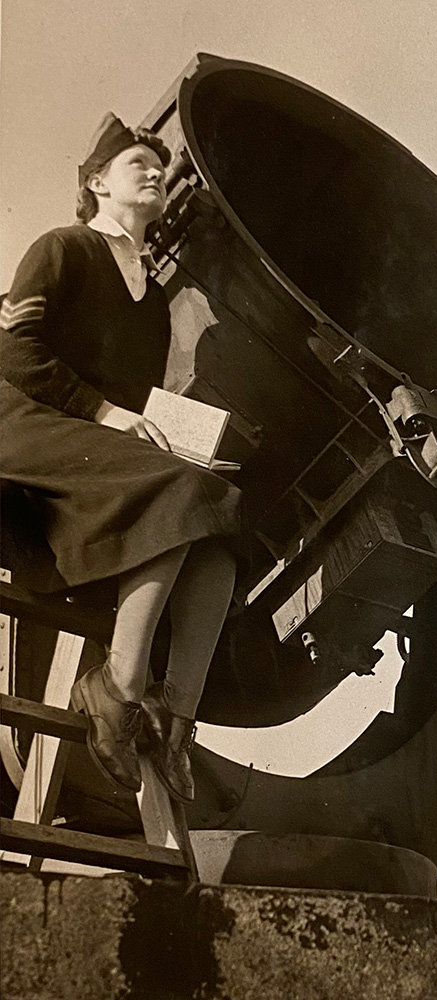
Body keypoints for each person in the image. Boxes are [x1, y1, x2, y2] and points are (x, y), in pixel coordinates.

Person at [0, 113, 243, 804]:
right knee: (176, 489)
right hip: (25, 431)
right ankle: (117, 687)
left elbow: (140, 399)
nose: (153, 172)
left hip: (91, 449)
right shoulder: (64, 247)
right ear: (97, 183)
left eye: (156, 167)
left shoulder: (156, 301)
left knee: (222, 525)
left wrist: (191, 438)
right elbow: (13, 353)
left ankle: (174, 723)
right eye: (137, 162)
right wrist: (107, 416)